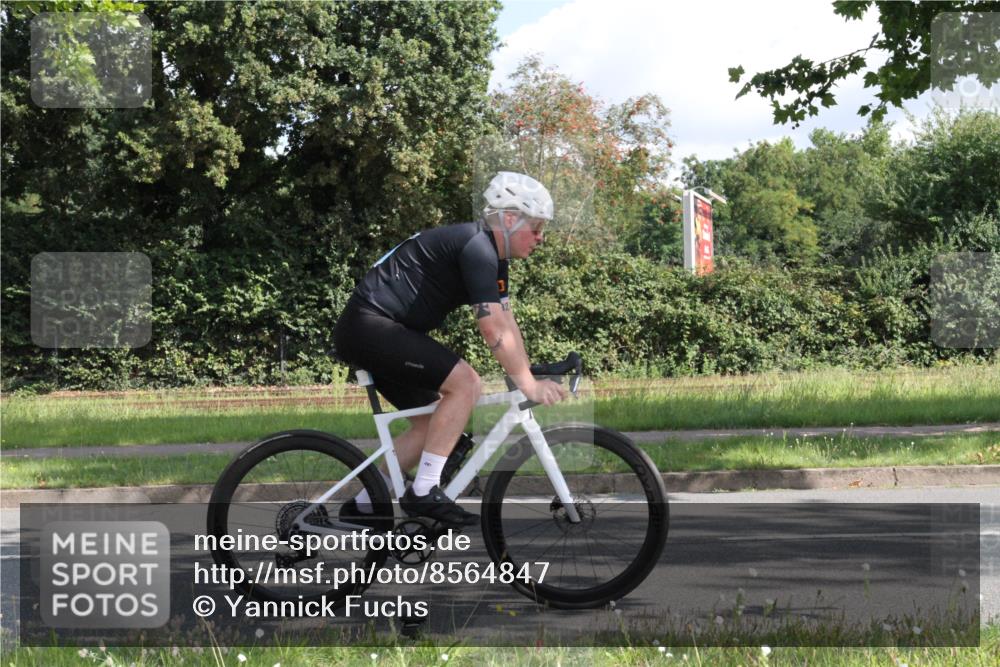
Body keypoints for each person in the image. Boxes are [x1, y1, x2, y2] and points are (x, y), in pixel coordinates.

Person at [332, 171, 567, 527]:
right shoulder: (478, 248)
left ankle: (366, 503)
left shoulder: (492, 256)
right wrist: (527, 385)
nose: (540, 237)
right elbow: (491, 329)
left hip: (377, 329)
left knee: (433, 423)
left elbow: (506, 321)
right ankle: (424, 491)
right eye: (535, 227)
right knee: (466, 384)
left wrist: (526, 371)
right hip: (372, 326)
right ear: (508, 218)